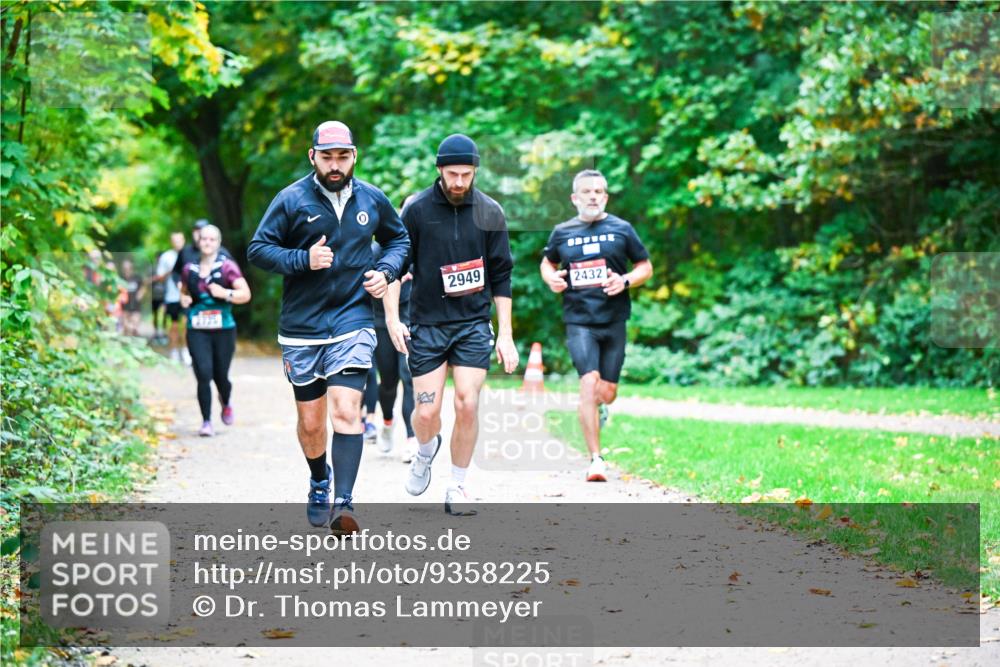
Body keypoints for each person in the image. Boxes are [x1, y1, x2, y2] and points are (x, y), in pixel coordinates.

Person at [247, 120, 408, 534]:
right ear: (312, 156)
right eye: (327, 156)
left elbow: (399, 241)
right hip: (301, 326)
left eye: (342, 156)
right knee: (313, 423)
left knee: (346, 410)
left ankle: (345, 503)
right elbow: (259, 250)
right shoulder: (291, 199)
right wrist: (303, 260)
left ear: (354, 156)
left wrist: (386, 272)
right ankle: (320, 479)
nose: (335, 165)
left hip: (352, 318)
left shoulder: (372, 198)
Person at [385, 134, 518, 516]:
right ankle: (425, 451)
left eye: (466, 174)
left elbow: (502, 276)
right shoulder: (416, 209)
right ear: (440, 170)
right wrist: (393, 318)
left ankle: (457, 485)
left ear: (475, 171)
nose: (459, 182)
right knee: (426, 413)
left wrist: (505, 334)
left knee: (467, 402)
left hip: (473, 324)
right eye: (452, 174)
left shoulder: (491, 212)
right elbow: (394, 266)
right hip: (428, 324)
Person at [540, 169, 653, 482]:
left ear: (605, 197)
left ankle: (601, 407)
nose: (593, 196)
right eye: (586, 192)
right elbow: (548, 261)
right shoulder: (562, 232)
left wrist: (626, 279)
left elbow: (645, 266)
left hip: (614, 319)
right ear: (575, 198)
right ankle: (596, 459)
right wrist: (550, 277)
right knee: (588, 383)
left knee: (608, 391)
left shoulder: (622, 229)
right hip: (579, 320)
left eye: (599, 192)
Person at [179, 224, 251, 437]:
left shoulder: (228, 267)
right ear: (198, 242)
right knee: (203, 374)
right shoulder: (189, 269)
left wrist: (225, 293)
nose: (207, 243)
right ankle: (206, 421)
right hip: (197, 328)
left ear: (218, 243)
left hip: (224, 329)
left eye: (212, 240)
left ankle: (226, 400)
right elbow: (184, 292)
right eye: (204, 239)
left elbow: (245, 294)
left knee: (221, 376)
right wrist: (184, 299)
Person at [371, 238, 416, 459]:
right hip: (382, 320)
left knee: (409, 376)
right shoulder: (375, 250)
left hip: (412, 316)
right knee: (388, 382)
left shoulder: (419, 247)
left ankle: (411, 437)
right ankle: (387, 421)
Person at [173, 219, 233, 366]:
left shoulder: (223, 253)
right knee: (188, 322)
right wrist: (180, 287)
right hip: (193, 301)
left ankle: (213, 358)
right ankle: (191, 352)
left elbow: (233, 275)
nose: (198, 233)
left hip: (218, 304)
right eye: (196, 230)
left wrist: (226, 292)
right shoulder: (185, 251)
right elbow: (176, 272)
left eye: (202, 230)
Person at [154, 232, 186, 362]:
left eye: (179, 240)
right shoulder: (166, 257)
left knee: (185, 324)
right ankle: (173, 351)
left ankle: (185, 350)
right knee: (173, 326)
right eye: (174, 240)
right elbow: (159, 278)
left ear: (183, 240)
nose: (177, 243)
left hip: (186, 296)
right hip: (171, 296)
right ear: (171, 242)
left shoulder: (189, 254)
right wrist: (171, 271)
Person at [118, 257, 144, 337]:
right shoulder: (120, 278)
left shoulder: (137, 277)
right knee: (125, 327)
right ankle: (126, 345)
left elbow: (143, 286)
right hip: (124, 305)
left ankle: (135, 342)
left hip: (135, 304)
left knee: (135, 327)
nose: (126, 270)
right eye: (125, 268)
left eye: (128, 268)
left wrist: (140, 294)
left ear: (131, 268)